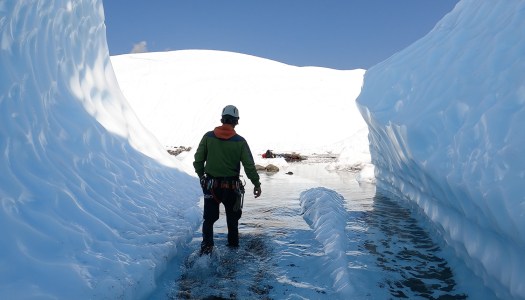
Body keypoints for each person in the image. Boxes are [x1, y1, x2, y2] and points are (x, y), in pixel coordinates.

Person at [193, 105, 262, 255]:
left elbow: (198, 161)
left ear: (222, 119)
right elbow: (249, 165)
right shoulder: (240, 142)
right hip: (232, 188)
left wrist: (201, 177)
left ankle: (206, 250)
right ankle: (233, 252)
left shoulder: (208, 137)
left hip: (211, 186)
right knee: (232, 220)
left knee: (209, 220)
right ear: (236, 121)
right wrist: (256, 184)